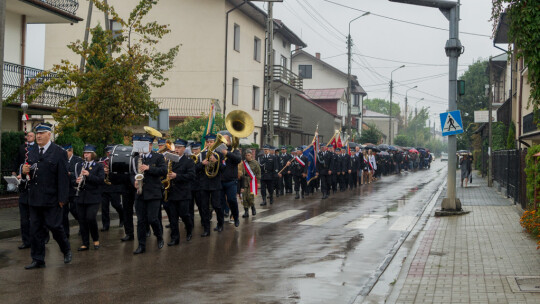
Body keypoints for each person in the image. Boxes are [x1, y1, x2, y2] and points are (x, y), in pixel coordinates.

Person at [22, 122, 72, 269]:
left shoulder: (59, 152)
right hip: (35, 198)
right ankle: (38, 259)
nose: (38, 136)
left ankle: (66, 249)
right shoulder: (31, 151)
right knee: (35, 229)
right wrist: (25, 171)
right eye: (37, 133)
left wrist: (63, 199)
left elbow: (63, 178)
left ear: (49, 134)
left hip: (52, 198)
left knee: (55, 226)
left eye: (42, 133)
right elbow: (31, 173)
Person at [131, 134, 167, 254]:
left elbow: (164, 171)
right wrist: (134, 182)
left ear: (151, 145)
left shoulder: (158, 157)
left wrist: (149, 168)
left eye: (147, 144)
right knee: (140, 221)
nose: (145, 147)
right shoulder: (136, 158)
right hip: (140, 193)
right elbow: (132, 173)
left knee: (152, 219)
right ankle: (141, 245)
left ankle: (159, 236)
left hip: (154, 193)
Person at [75, 144, 105, 251]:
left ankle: (95, 239)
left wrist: (89, 175)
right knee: (82, 220)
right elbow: (75, 179)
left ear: (92, 154)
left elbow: (101, 180)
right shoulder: (79, 165)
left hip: (93, 197)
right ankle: (85, 243)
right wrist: (77, 181)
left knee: (90, 218)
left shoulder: (98, 166)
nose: (85, 155)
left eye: (88, 153)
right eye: (84, 153)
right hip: (81, 197)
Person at [166, 139, 195, 245]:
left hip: (183, 193)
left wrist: (177, 176)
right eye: (176, 148)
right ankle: (175, 238)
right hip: (172, 192)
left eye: (179, 148)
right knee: (173, 217)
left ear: (184, 149)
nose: (176, 150)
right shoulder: (170, 160)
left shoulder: (189, 161)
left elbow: (191, 176)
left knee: (184, 214)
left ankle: (189, 228)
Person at [196, 134, 225, 235]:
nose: (209, 144)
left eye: (211, 142)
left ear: (214, 143)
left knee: (217, 205)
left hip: (215, 183)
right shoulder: (201, 154)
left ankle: (220, 224)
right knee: (204, 207)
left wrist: (216, 162)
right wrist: (201, 164)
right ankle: (206, 229)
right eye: (207, 142)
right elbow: (195, 169)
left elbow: (223, 169)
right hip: (204, 184)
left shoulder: (220, 154)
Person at [219, 131, 241, 227]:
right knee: (219, 203)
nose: (225, 141)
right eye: (223, 140)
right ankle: (220, 223)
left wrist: (227, 153)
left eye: (227, 139)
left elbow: (238, 159)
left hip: (231, 181)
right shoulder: (217, 150)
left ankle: (235, 217)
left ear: (230, 141)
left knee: (232, 200)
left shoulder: (234, 150)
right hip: (219, 181)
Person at [100, 145, 124, 232]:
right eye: (108, 152)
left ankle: (122, 216)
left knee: (116, 204)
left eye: (110, 152)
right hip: (104, 187)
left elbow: (121, 173)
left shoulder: (117, 160)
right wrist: (103, 171)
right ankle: (105, 225)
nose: (109, 154)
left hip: (114, 186)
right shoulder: (102, 160)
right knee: (104, 207)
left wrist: (111, 171)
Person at [63, 144, 82, 238]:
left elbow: (79, 174)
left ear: (71, 151)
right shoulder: (62, 160)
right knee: (64, 212)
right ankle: (66, 233)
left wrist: (70, 174)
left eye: (66, 152)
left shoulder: (78, 160)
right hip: (65, 189)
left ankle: (82, 224)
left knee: (74, 209)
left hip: (74, 189)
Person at [240, 149, 260, 218]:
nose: (247, 156)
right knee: (244, 197)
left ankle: (253, 207)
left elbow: (258, 173)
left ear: (251, 155)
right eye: (246, 155)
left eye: (248, 155)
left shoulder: (255, 163)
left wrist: (258, 182)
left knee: (250, 197)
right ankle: (246, 212)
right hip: (244, 182)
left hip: (252, 182)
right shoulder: (243, 163)